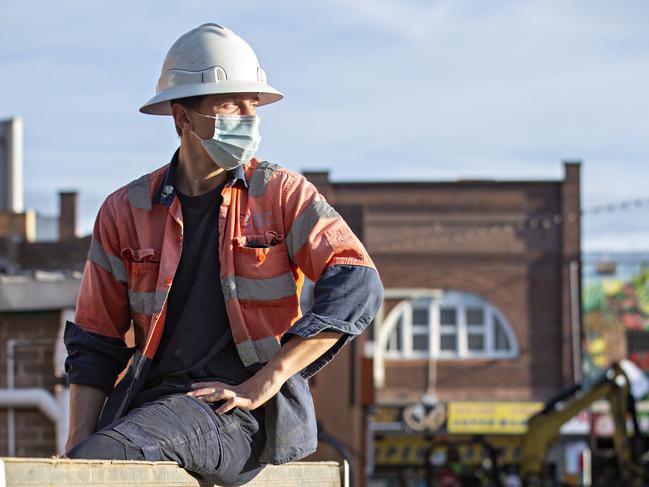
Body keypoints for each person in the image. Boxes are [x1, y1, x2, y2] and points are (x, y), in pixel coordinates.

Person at [63, 22, 383, 486]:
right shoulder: (124, 211)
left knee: (116, 449)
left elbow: (357, 280)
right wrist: (75, 455)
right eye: (231, 104)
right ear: (182, 117)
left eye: (253, 105)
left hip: (238, 416)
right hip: (147, 409)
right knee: (103, 454)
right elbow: (95, 344)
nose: (248, 117)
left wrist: (267, 380)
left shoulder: (281, 194)